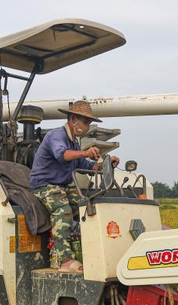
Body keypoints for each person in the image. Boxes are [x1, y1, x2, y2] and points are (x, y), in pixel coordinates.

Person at [29, 100, 120, 272]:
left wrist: (105, 164)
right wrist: (85, 152)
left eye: (89, 123)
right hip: (43, 185)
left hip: (61, 186)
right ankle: (64, 259)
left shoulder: (75, 143)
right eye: (85, 122)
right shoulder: (56, 136)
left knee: (86, 205)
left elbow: (85, 165)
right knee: (63, 209)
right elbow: (63, 155)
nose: (87, 126)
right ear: (73, 119)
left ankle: (88, 251)